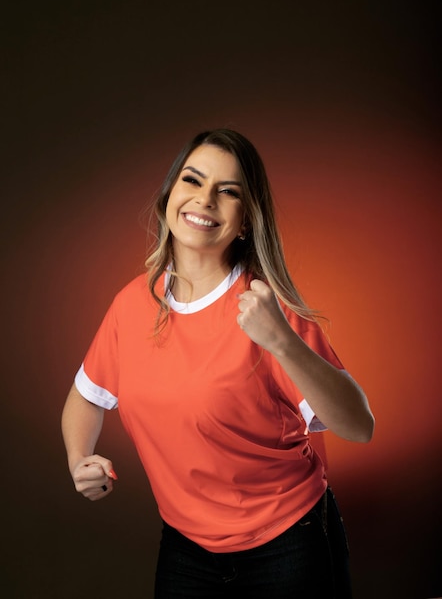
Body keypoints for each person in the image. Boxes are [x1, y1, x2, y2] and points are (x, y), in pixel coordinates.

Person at [61, 128, 374, 598]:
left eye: (228, 192)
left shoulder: (268, 309)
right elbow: (84, 399)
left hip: (288, 544)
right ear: (171, 196)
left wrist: (282, 342)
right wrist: (78, 459)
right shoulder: (132, 303)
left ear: (245, 221)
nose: (204, 199)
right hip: (187, 549)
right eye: (192, 180)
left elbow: (358, 425)